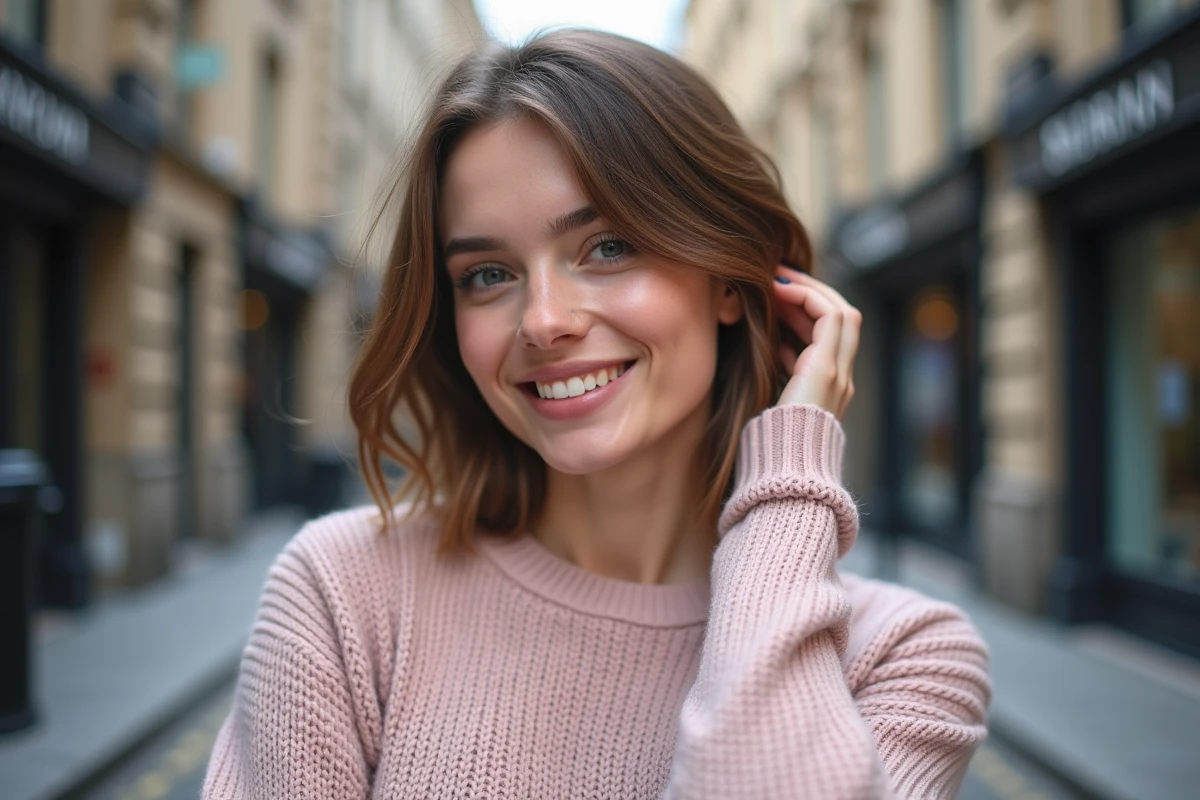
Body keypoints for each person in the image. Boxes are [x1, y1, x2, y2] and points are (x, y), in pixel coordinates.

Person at [203, 29, 989, 799]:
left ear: (730, 278)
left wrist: (788, 491)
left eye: (608, 247)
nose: (543, 321)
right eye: (487, 274)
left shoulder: (903, 657)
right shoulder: (342, 593)